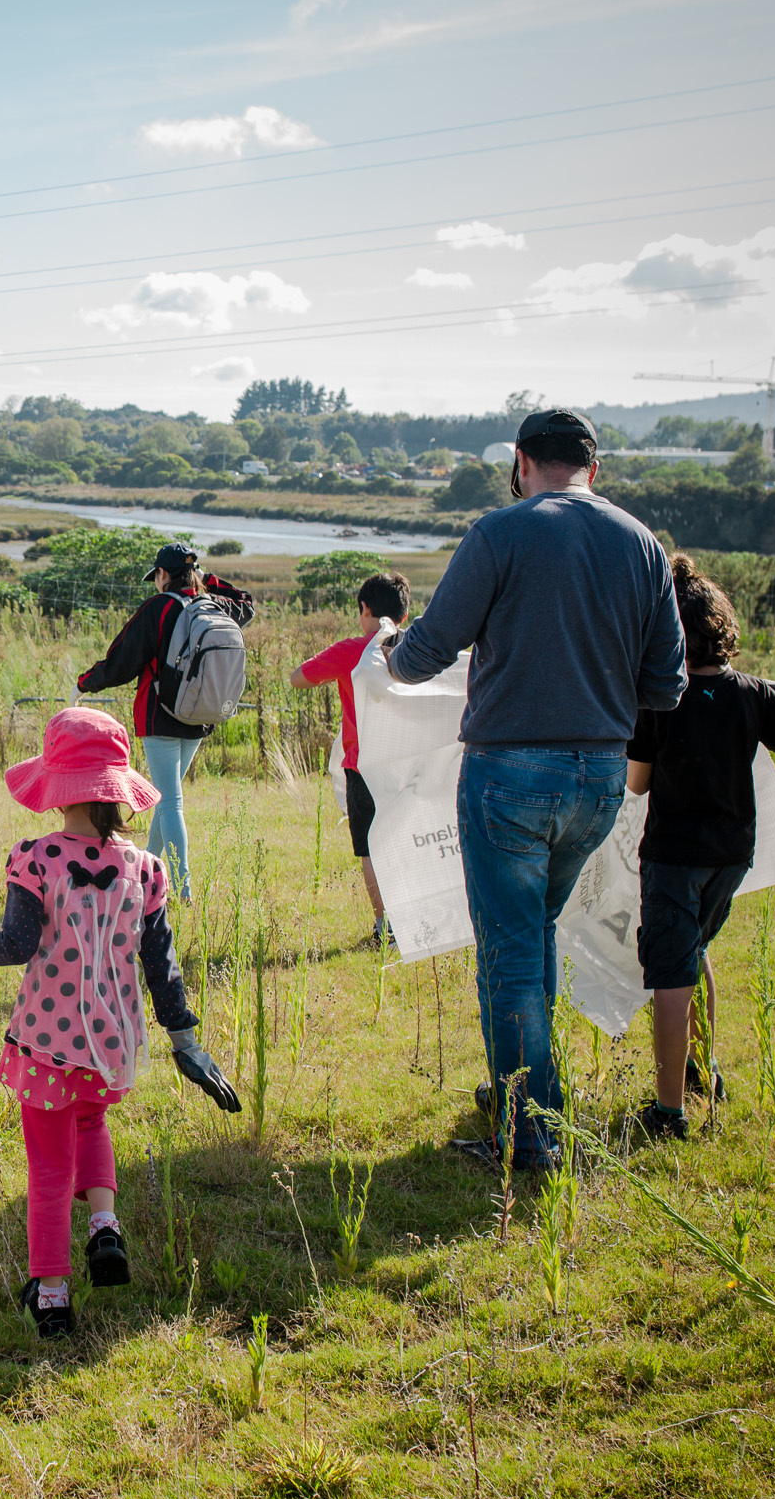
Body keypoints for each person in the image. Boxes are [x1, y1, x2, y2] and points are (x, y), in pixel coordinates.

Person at [387, 407, 685, 1170]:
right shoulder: (643, 544)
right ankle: (527, 1098)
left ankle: (527, 1135)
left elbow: (424, 654)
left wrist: (389, 651)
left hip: (510, 775)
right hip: (600, 778)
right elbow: (668, 685)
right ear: (597, 468)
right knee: (533, 935)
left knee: (512, 952)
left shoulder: (499, 532)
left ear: (521, 461)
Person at [0, 707, 239, 1339]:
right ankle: (105, 1228)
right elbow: (161, 966)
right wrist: (183, 1034)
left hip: (48, 1046)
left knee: (50, 1165)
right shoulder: (145, 869)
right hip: (112, 1044)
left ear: (57, 790)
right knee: (93, 1122)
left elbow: (16, 944)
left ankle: (51, 1291)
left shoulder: (36, 859)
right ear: (118, 793)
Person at [625, 555, 775, 1140]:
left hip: (672, 853)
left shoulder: (661, 699)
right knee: (695, 951)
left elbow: (636, 783)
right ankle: (704, 1070)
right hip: (731, 853)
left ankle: (670, 1112)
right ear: (724, 632)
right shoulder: (754, 694)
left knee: (669, 973)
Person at [76, 542, 214, 902]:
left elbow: (123, 660)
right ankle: (143, 873)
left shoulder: (159, 607)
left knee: (170, 801)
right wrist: (206, 579)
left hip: (161, 716)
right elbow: (244, 602)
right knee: (166, 798)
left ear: (162, 575)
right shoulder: (211, 604)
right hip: (200, 715)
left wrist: (85, 682)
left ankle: (182, 891)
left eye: (157, 575)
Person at [291, 571, 413, 946]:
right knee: (407, 839)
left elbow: (299, 678)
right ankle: (413, 917)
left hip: (364, 764)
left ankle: (386, 928)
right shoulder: (419, 648)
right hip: (411, 761)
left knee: (369, 846)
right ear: (403, 614)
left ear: (365, 609)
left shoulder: (353, 651)